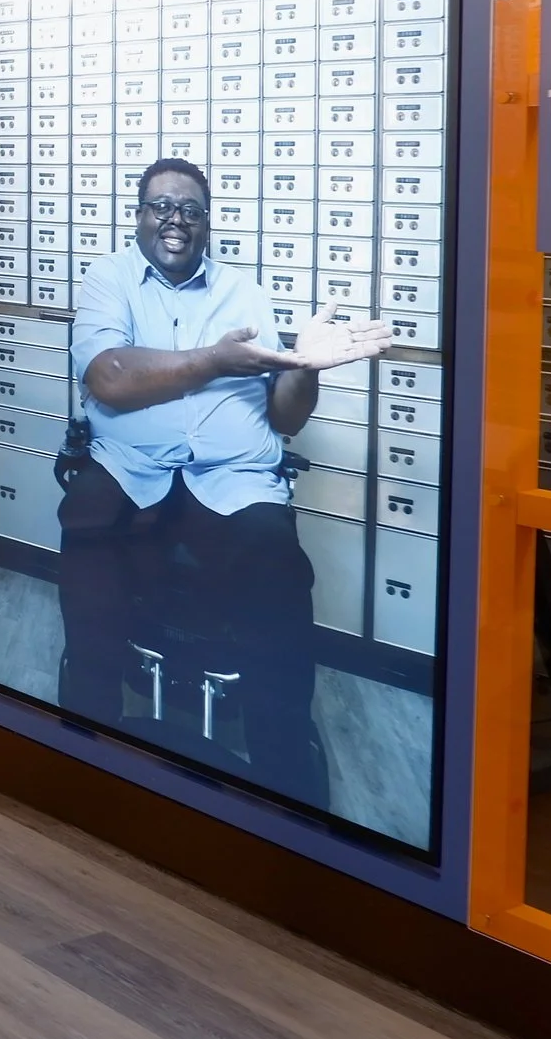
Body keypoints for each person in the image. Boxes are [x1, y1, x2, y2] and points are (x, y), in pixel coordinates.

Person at [58, 155, 392, 809]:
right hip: (131, 472)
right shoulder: (109, 278)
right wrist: (214, 358)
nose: (174, 220)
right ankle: (86, 746)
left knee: (278, 572)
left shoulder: (243, 292)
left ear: (207, 222)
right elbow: (108, 376)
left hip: (233, 479)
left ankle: (285, 774)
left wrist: (306, 364)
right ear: (139, 215)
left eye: (190, 209)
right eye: (161, 205)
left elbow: (284, 414)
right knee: (87, 548)